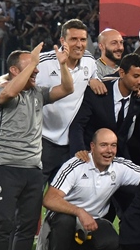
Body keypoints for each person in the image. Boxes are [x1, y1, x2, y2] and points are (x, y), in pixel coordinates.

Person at [0, 43, 74, 250]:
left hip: (34, 168)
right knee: (3, 223)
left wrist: (62, 64)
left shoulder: (38, 93)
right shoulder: (0, 91)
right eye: (30, 68)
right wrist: (34, 62)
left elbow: (67, 88)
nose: (36, 72)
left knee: (27, 225)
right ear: (14, 70)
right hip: (5, 166)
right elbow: (9, 92)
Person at [41, 129, 140, 250]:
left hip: (93, 224)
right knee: (65, 220)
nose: (109, 151)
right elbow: (49, 199)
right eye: (104, 145)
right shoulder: (75, 165)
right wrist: (80, 212)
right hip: (62, 224)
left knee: (111, 240)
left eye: (113, 145)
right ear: (92, 147)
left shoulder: (119, 166)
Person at [68, 53, 140, 166]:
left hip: (119, 158)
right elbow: (78, 125)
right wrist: (80, 150)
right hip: (91, 156)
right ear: (122, 73)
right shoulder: (97, 92)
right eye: (136, 76)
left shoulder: (139, 96)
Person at [37, 18, 99, 185]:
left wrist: (94, 79)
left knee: (64, 199)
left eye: (83, 39)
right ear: (62, 40)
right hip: (43, 141)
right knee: (33, 198)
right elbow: (13, 75)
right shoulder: (43, 62)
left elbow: (97, 76)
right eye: (73, 39)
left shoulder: (90, 62)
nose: (79, 44)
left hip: (71, 145)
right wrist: (2, 81)